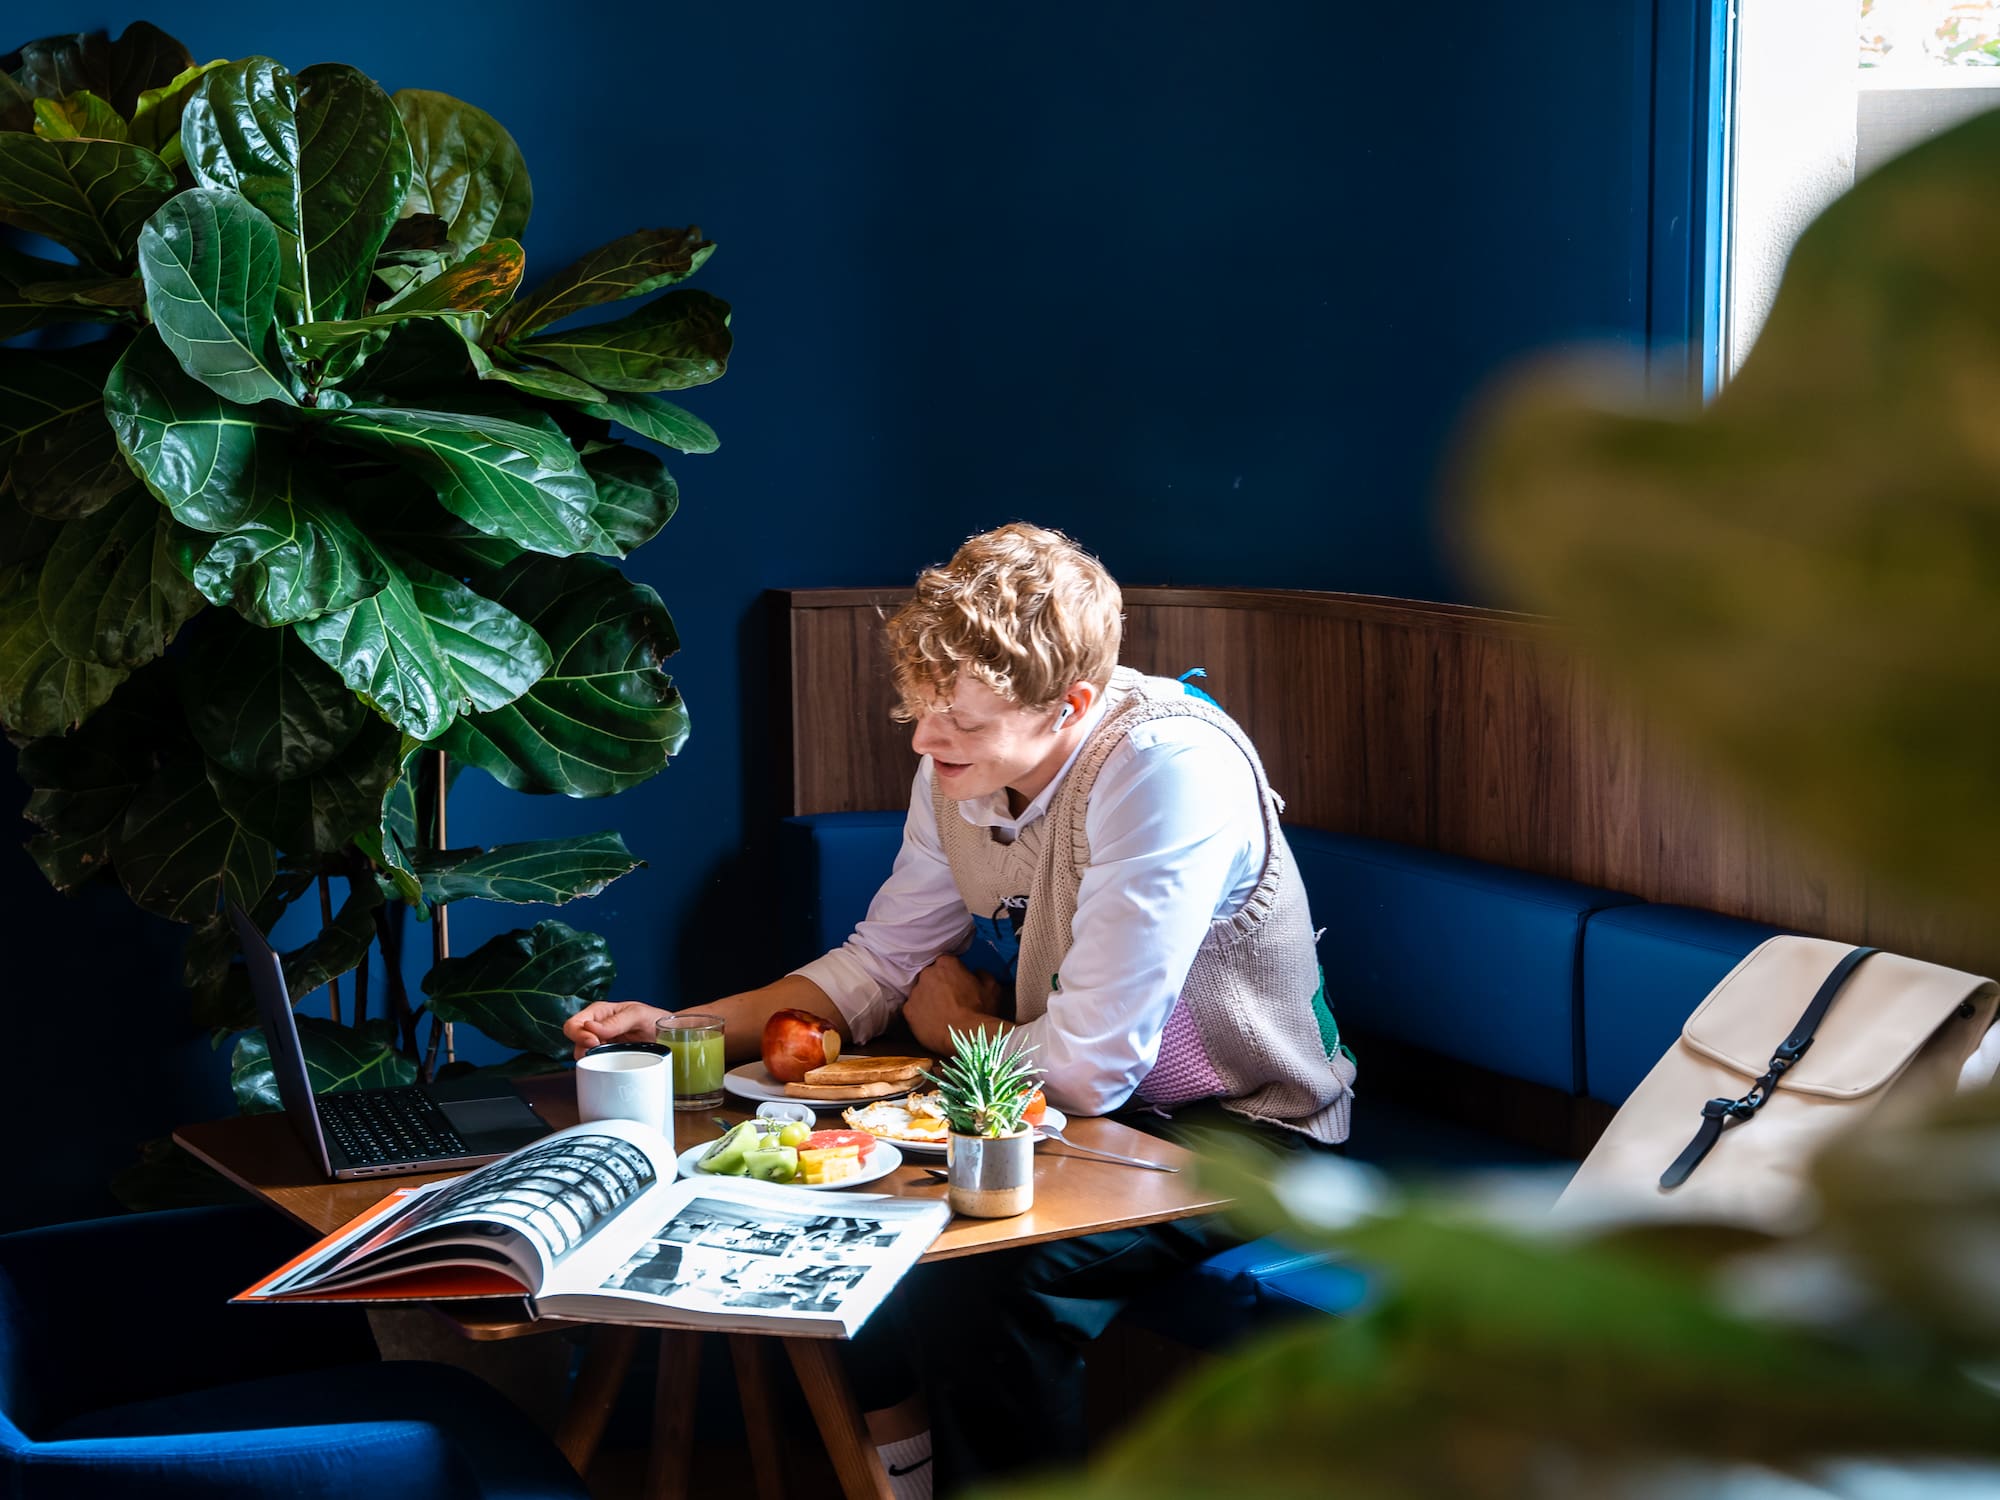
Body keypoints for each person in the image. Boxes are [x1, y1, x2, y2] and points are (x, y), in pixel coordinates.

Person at [564, 522, 1355, 1493]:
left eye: (962, 721)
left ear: (1069, 702)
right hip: (1082, 1119)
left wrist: (952, 1032)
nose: (925, 737)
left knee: (990, 1287)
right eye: (921, 706)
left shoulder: (1161, 770)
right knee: (844, 1214)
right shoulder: (956, 767)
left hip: (1239, 1128)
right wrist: (680, 1024)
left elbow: (1086, 1068)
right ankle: (903, 1481)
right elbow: (876, 964)